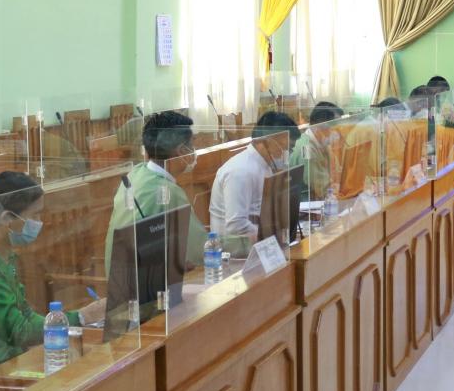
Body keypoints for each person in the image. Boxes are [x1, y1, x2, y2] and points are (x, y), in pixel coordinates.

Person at [0, 172, 104, 368]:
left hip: (1, 359)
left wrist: (73, 319)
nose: (40, 222)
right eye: (34, 215)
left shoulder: (4, 254)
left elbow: (25, 314)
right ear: (7, 218)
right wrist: (83, 316)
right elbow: (19, 330)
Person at [103, 110, 206, 273]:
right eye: (192, 145)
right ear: (182, 151)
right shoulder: (168, 191)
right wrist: (245, 243)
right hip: (147, 284)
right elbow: (200, 250)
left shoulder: (135, 174)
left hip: (120, 279)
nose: (194, 150)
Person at [210, 112, 298, 257]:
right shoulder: (240, 171)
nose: (286, 153)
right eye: (285, 147)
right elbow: (236, 225)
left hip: (259, 244)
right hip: (235, 253)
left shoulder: (265, 165)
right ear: (267, 141)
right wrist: (270, 237)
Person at [292, 102, 344, 199]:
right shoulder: (306, 148)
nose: (338, 133)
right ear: (320, 126)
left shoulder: (322, 144)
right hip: (305, 203)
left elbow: (337, 173)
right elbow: (319, 187)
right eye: (335, 127)